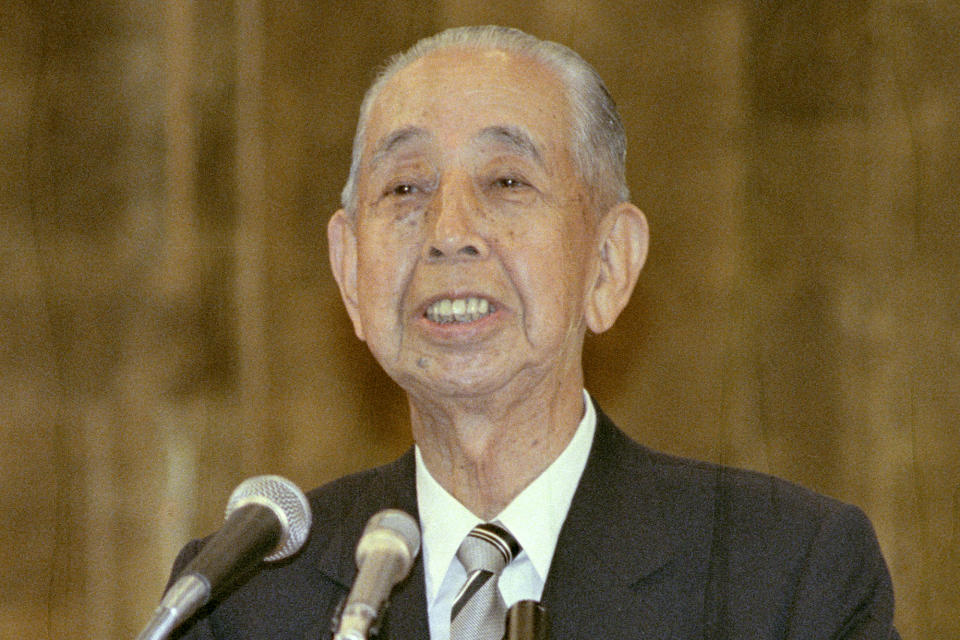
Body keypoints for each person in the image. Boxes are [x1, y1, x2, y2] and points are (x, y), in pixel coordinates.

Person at [167, 25, 899, 639]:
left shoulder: (787, 577)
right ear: (350, 270)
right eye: (405, 188)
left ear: (609, 264)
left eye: (507, 182)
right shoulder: (242, 601)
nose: (450, 233)